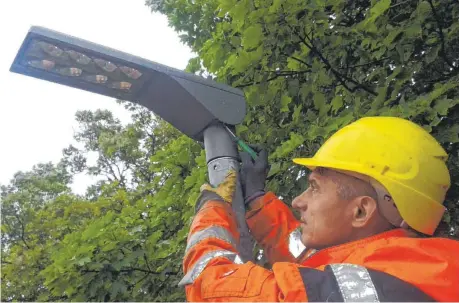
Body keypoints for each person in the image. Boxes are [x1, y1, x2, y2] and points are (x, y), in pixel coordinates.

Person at [178, 116, 459, 302]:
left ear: (361, 211)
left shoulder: (357, 293)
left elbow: (214, 286)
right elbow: (303, 254)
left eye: (314, 187)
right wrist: (256, 199)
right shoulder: (419, 270)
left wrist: (212, 207)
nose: (299, 201)